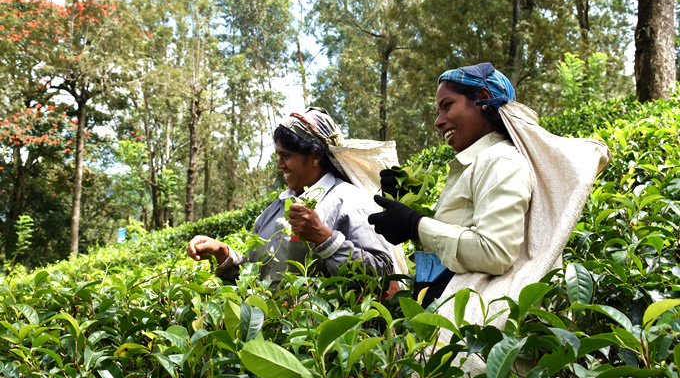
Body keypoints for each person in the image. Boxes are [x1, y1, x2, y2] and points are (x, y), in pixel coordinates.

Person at [368, 63, 533, 306]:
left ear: (483, 98)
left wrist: (414, 224)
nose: (438, 121)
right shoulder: (477, 163)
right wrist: (406, 205)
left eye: (447, 106)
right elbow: (457, 236)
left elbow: (495, 253)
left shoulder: (501, 160)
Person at [187, 107, 394, 288]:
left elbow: (382, 271)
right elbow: (255, 280)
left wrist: (324, 239)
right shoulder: (274, 210)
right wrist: (222, 253)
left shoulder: (349, 201)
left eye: (286, 156)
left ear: (316, 156)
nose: (279, 165)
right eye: (278, 156)